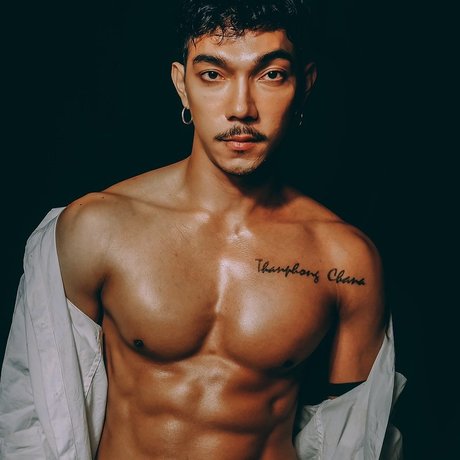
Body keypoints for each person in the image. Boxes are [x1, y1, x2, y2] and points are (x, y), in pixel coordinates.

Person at [0, 0, 406, 458]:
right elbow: (35, 419)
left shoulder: (345, 262)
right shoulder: (96, 229)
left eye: (271, 75)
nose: (241, 108)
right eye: (213, 74)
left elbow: (357, 441)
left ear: (304, 84)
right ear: (182, 84)